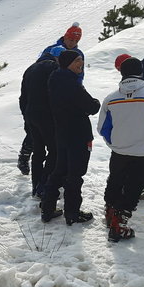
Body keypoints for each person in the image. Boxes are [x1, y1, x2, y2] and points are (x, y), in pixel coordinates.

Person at [98, 55, 144, 242]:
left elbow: (103, 128)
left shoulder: (111, 98)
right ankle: (119, 224)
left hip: (119, 150)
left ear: (121, 72)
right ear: (140, 72)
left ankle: (110, 212)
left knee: (115, 180)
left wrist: (114, 143)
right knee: (134, 187)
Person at [40, 50, 100, 224]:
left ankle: (47, 209)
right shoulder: (72, 83)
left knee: (59, 171)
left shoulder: (55, 79)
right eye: (77, 61)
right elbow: (92, 106)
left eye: (81, 60)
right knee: (75, 174)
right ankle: (73, 213)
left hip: (61, 132)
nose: (80, 64)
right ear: (67, 63)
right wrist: (95, 102)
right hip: (78, 134)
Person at [19, 48, 59, 198]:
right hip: (47, 116)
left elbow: (23, 97)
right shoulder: (53, 67)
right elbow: (54, 93)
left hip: (31, 115)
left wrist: (26, 116)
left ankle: (35, 185)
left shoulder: (29, 70)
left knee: (38, 151)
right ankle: (45, 183)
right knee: (54, 151)